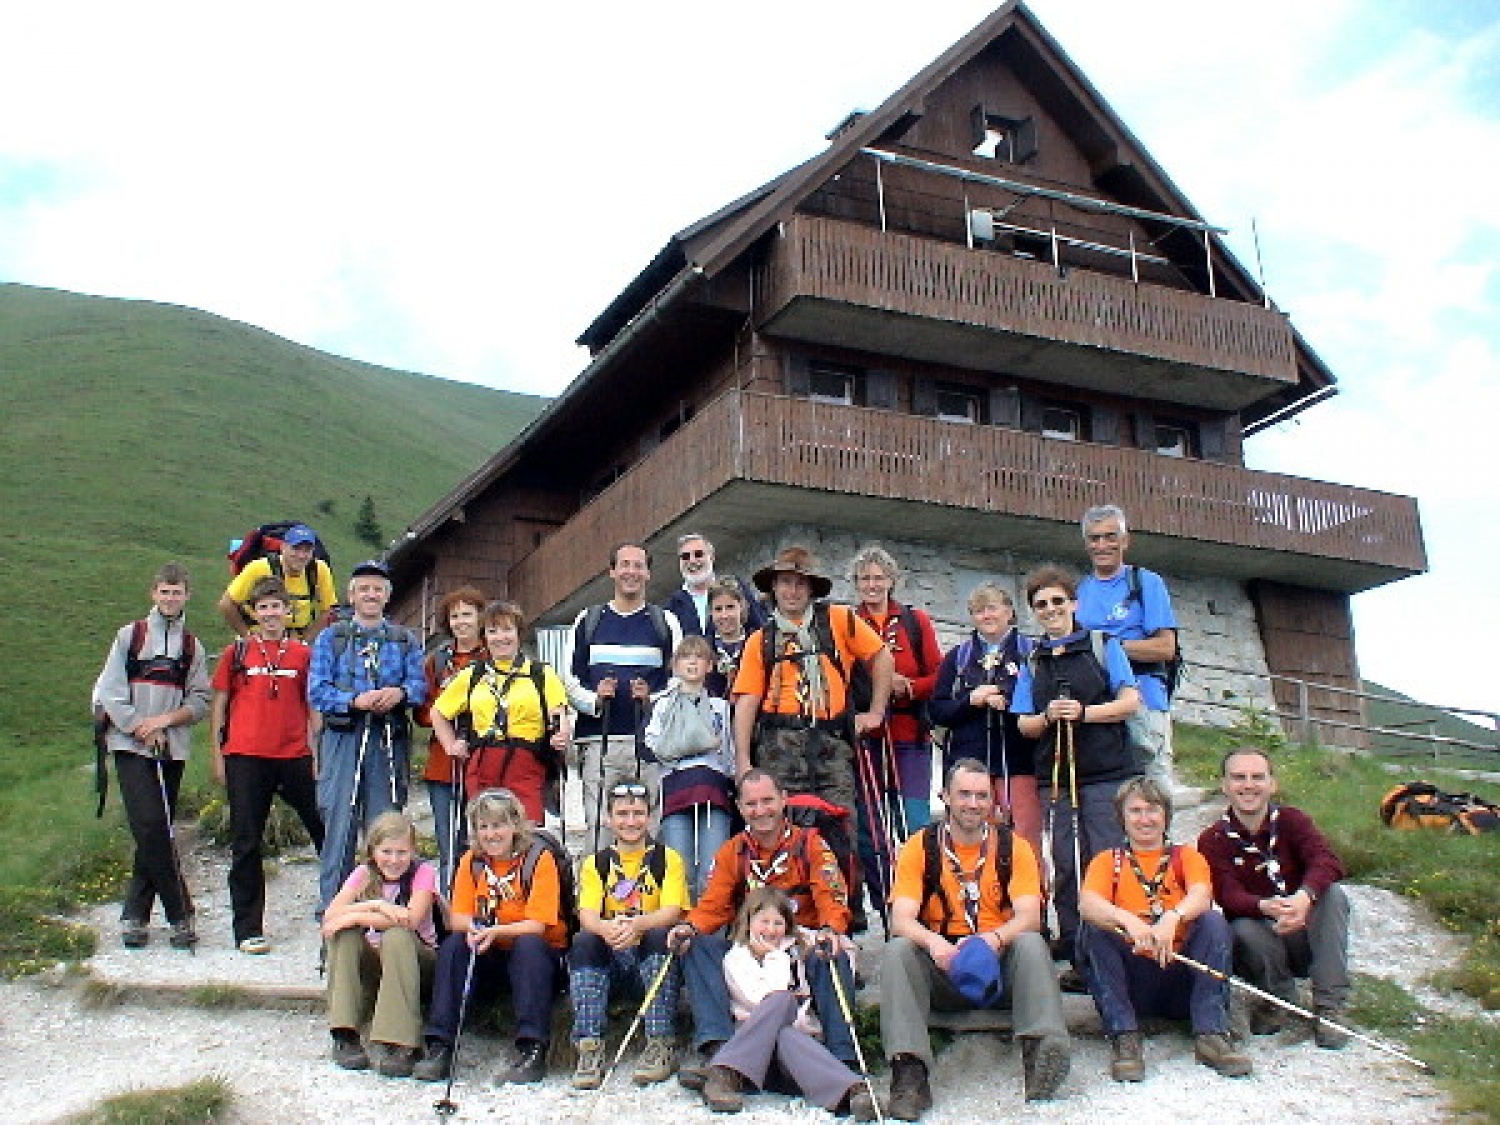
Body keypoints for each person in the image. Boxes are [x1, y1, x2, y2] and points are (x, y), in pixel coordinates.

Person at [881, 759, 1070, 1119]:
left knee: (1031, 942)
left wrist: (993, 941)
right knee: (899, 950)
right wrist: (936, 945)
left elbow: (1030, 915)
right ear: (945, 797)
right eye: (964, 794)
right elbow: (901, 919)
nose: (973, 803)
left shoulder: (1014, 847)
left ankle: (1041, 1050)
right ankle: (909, 1073)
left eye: (982, 796)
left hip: (997, 966)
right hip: (945, 962)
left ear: (994, 802)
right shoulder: (920, 846)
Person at [668, 770, 860, 1095]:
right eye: (751, 804)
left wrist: (830, 930)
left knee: (832, 951)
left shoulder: (811, 843)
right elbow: (713, 905)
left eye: (768, 800)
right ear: (740, 809)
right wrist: (689, 926)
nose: (761, 810)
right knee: (696, 946)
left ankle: (843, 1056)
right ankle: (719, 1049)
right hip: (750, 948)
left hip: (803, 943)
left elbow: (832, 897)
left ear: (784, 799)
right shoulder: (733, 851)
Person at [1011, 565, 1140, 976]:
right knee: (1065, 861)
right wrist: (1049, 716)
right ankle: (1077, 950)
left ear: (1073, 604)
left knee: (1105, 860)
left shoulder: (1103, 645)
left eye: (1056, 601)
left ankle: (1114, 948)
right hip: (1057, 777)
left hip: (1106, 773)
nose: (1050, 610)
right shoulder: (1033, 660)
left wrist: (1084, 713)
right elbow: (1023, 723)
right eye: (1041, 604)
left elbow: (1130, 702)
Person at [1077, 778, 1252, 1081]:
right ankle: (1124, 1036)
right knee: (1093, 929)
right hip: (1133, 978)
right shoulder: (1108, 861)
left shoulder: (1186, 857)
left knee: (1213, 921)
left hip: (1181, 973)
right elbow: (1088, 904)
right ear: (1122, 817)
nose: (1145, 819)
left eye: (1153, 809)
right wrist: (1127, 920)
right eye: (1135, 811)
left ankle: (1211, 1033)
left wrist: (1173, 918)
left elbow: (1201, 895)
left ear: (1166, 815)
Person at [93, 562, 212, 949]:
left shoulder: (192, 646)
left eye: (177, 592)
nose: (170, 598)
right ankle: (180, 914)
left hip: (171, 748)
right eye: (164, 591)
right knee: (149, 824)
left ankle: (135, 917)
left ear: (186, 596)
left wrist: (165, 720)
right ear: (153, 594)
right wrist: (138, 725)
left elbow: (200, 700)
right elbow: (110, 690)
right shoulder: (130, 636)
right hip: (130, 745)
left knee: (156, 828)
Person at [1197, 748, 1351, 1046]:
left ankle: (1330, 1005)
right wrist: (1265, 907)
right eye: (1239, 778)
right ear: (1225, 785)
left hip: (1303, 928)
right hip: (1259, 938)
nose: (1248, 785)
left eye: (1257, 777)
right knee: (1239, 926)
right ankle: (1276, 999)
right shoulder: (1213, 840)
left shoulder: (1294, 822)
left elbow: (1328, 861)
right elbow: (1226, 894)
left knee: (1332, 895)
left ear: (1272, 784)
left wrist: (1304, 898)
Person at [414, 789, 568, 1085]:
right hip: (491, 954)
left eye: (498, 825)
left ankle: (532, 1047)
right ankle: (440, 1045)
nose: (490, 834)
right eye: (483, 827)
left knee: (529, 945)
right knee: (455, 944)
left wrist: (495, 930)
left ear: (515, 826)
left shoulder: (538, 859)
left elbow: (537, 924)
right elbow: (457, 918)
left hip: (540, 960)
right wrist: (475, 928)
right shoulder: (472, 862)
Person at [209, 576, 325, 954]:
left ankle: (339, 906)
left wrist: (317, 753)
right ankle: (248, 929)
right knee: (246, 842)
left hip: (294, 755)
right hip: (246, 756)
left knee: (325, 829)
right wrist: (217, 754)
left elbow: (314, 708)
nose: (271, 613)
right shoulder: (237, 653)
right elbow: (220, 705)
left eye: (277, 606)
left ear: (288, 611)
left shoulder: (304, 655)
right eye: (263, 607)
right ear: (254, 613)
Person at [732, 546, 892, 816]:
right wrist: (743, 761)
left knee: (839, 830)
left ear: (811, 589)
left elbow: (882, 656)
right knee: (783, 833)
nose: (792, 591)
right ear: (774, 586)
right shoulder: (760, 640)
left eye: (800, 583)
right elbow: (747, 702)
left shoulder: (839, 620)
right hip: (778, 750)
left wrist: (876, 712)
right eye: (785, 582)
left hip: (832, 745)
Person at [308, 560, 427, 910]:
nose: (370, 595)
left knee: (385, 823)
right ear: (352, 594)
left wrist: (400, 694)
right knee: (339, 821)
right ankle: (334, 903)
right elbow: (316, 690)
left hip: (387, 739)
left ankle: (385, 900)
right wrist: (354, 700)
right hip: (343, 737)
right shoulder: (332, 638)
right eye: (364, 589)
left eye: (377, 589)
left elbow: (420, 686)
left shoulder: (404, 640)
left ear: (387, 596)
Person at [699, 887, 878, 1118]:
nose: (771, 930)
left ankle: (853, 1093)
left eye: (778, 923)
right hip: (757, 1055)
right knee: (783, 1001)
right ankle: (728, 1069)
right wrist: (775, 956)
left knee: (787, 1036)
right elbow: (761, 999)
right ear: (748, 922)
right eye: (764, 922)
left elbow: (845, 950)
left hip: (795, 1056)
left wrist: (827, 939)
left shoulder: (797, 945)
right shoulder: (737, 958)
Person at [569, 781, 691, 1090]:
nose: (630, 822)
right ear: (609, 819)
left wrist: (638, 926)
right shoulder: (596, 863)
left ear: (650, 817)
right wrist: (607, 929)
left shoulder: (668, 859)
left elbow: (673, 910)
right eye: (622, 814)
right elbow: (586, 915)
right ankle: (589, 1047)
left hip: (648, 957)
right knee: (584, 941)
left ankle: (661, 1042)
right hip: (611, 960)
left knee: (660, 935)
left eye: (638, 813)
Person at [563, 542, 684, 849]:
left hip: (649, 743)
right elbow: (568, 679)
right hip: (598, 742)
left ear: (648, 573)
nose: (631, 572)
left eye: (638, 565)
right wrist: (594, 700)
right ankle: (598, 894)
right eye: (625, 565)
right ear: (612, 572)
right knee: (600, 830)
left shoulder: (665, 622)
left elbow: (680, 679)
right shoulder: (588, 620)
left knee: (649, 827)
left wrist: (651, 699)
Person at [848, 545, 943, 929]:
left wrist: (908, 688)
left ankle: (925, 910)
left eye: (878, 577)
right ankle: (888, 911)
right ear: (855, 584)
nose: (872, 585)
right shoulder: (847, 622)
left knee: (914, 825)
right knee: (872, 831)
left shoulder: (914, 621)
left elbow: (939, 675)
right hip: (867, 739)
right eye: (865, 578)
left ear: (891, 580)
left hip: (908, 736)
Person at [428, 600, 571, 826]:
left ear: (519, 634)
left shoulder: (541, 674)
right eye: (492, 631)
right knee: (487, 833)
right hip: (483, 764)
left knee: (527, 833)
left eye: (507, 630)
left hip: (526, 765)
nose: (500, 637)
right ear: (484, 636)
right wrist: (451, 745)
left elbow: (558, 715)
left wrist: (561, 735)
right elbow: (438, 712)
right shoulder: (472, 675)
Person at [321, 810, 437, 1077]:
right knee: (345, 935)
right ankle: (345, 1033)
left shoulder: (423, 873)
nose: (394, 860)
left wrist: (358, 914)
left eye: (401, 853)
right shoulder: (362, 874)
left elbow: (409, 919)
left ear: (413, 851)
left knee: (396, 935)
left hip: (419, 962)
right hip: (377, 961)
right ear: (373, 851)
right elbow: (330, 916)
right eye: (386, 852)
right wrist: (376, 905)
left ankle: (401, 1041)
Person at [929, 582, 1040, 852]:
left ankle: (1030, 892)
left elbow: (1044, 702)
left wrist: (1009, 700)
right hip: (970, 763)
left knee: (1025, 838)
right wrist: (972, 700)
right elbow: (937, 710)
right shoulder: (959, 657)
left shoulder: (1033, 652)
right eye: (979, 611)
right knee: (975, 838)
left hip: (1020, 762)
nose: (987, 616)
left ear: (1009, 612)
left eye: (992, 608)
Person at [1074, 505, 1178, 788]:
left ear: (1125, 540)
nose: (1102, 545)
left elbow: (1165, 647)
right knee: (1109, 796)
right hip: (1098, 705)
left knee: (1152, 793)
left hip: (1145, 702)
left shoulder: (1146, 582)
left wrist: (1111, 646)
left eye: (1110, 536)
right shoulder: (1079, 592)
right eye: (1094, 538)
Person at [645, 635, 737, 898]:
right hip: (676, 785)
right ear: (674, 665)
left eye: (699, 657)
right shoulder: (663, 705)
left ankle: (711, 934)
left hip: (712, 789)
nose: (693, 663)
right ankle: (680, 932)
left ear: (710, 665)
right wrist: (687, 746)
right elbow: (654, 744)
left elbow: (728, 750)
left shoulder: (719, 708)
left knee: (713, 869)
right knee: (679, 869)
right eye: (686, 657)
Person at [412, 586, 489, 896]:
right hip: (443, 763)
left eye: (467, 614)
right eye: (454, 616)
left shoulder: (492, 653)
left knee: (485, 837)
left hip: (484, 758)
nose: (461, 622)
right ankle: (450, 908)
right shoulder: (437, 660)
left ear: (480, 618)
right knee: (448, 842)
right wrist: (447, 714)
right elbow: (421, 710)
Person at [218, 523, 337, 640]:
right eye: (295, 548)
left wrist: (306, 641)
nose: (301, 556)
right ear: (283, 547)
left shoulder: (318, 570)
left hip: (296, 642)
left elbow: (329, 610)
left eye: (307, 550)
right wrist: (247, 636)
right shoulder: (259, 568)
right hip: (260, 639)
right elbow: (226, 604)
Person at [665, 532, 768, 638]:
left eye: (698, 554)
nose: (692, 561)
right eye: (685, 556)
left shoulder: (736, 588)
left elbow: (760, 629)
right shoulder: (672, 607)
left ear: (712, 557)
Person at [705, 576, 752, 700]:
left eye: (730, 607)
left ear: (741, 606)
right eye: (718, 609)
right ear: (711, 612)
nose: (724, 615)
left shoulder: (758, 643)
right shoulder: (703, 650)